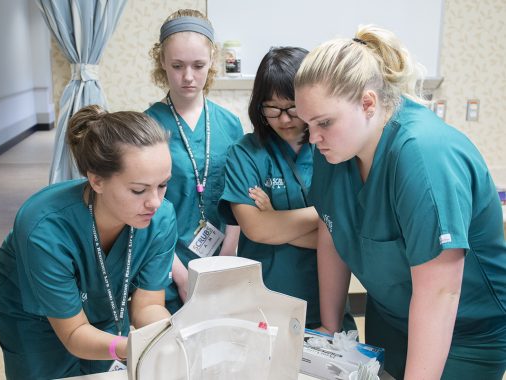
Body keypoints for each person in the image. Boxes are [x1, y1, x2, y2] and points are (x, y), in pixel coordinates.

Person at [294, 25, 506, 379]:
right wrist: (331, 330)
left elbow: (440, 293)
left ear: (368, 103)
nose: (313, 137)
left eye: (323, 123)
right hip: (390, 317)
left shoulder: (422, 155)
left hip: (464, 333)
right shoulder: (331, 148)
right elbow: (331, 231)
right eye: (308, 124)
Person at [0, 105, 177, 379]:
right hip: (34, 315)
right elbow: (74, 334)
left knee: (100, 370)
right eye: (138, 190)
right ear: (97, 181)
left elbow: (147, 305)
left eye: (163, 185)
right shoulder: (45, 227)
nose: (155, 202)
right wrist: (128, 347)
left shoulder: (161, 219)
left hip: (106, 299)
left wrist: (166, 336)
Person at [217, 46, 356, 331]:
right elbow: (257, 230)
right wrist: (325, 217)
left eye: (292, 106)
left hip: (326, 303)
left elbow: (350, 237)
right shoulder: (244, 154)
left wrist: (275, 221)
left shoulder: (335, 148)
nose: (283, 118)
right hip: (266, 304)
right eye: (272, 108)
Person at [145, 9, 243, 313]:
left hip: (225, 256)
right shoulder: (147, 128)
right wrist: (181, 276)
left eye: (198, 65)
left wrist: (227, 258)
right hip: (167, 261)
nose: (188, 77)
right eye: (177, 66)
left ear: (212, 60)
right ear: (162, 62)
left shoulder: (230, 124)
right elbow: (146, 209)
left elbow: (239, 196)